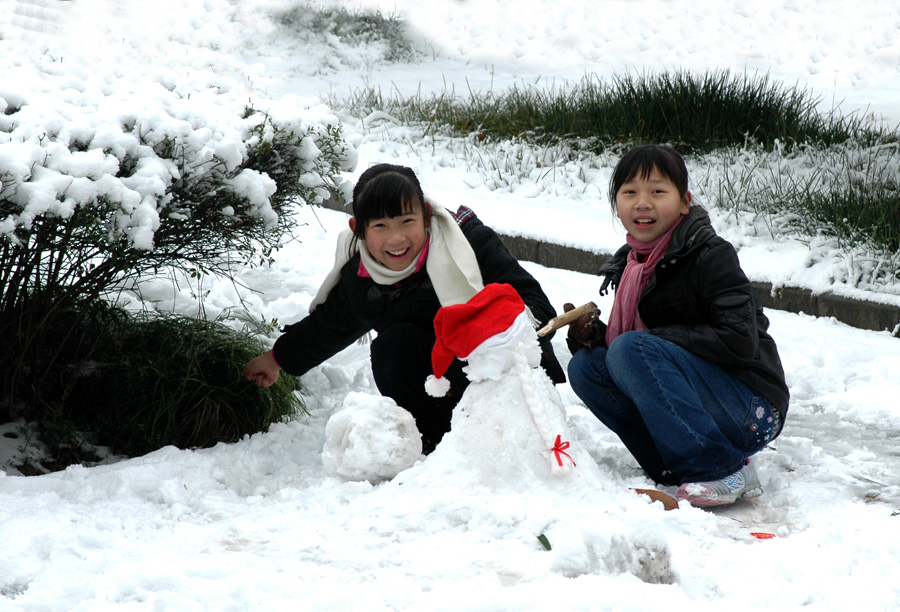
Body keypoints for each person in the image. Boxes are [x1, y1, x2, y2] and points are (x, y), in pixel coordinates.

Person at [243, 163, 565, 452]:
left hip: (502, 379)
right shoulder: (362, 278)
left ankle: (498, 439)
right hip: (436, 390)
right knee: (391, 346)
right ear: (359, 229)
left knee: (465, 343)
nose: (396, 239)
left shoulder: (466, 241)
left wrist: (494, 326)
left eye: (407, 221)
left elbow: (537, 307)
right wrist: (276, 359)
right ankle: (435, 446)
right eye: (380, 226)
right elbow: (330, 324)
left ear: (426, 215)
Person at [564, 144, 789, 507]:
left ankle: (722, 469)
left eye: (657, 191)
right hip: (704, 399)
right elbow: (651, 348)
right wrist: (592, 337)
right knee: (587, 366)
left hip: (751, 409)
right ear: (617, 205)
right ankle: (672, 465)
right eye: (630, 192)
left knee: (629, 349)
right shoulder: (634, 264)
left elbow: (739, 340)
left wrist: (642, 341)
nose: (642, 203)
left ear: (684, 202)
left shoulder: (710, 254)